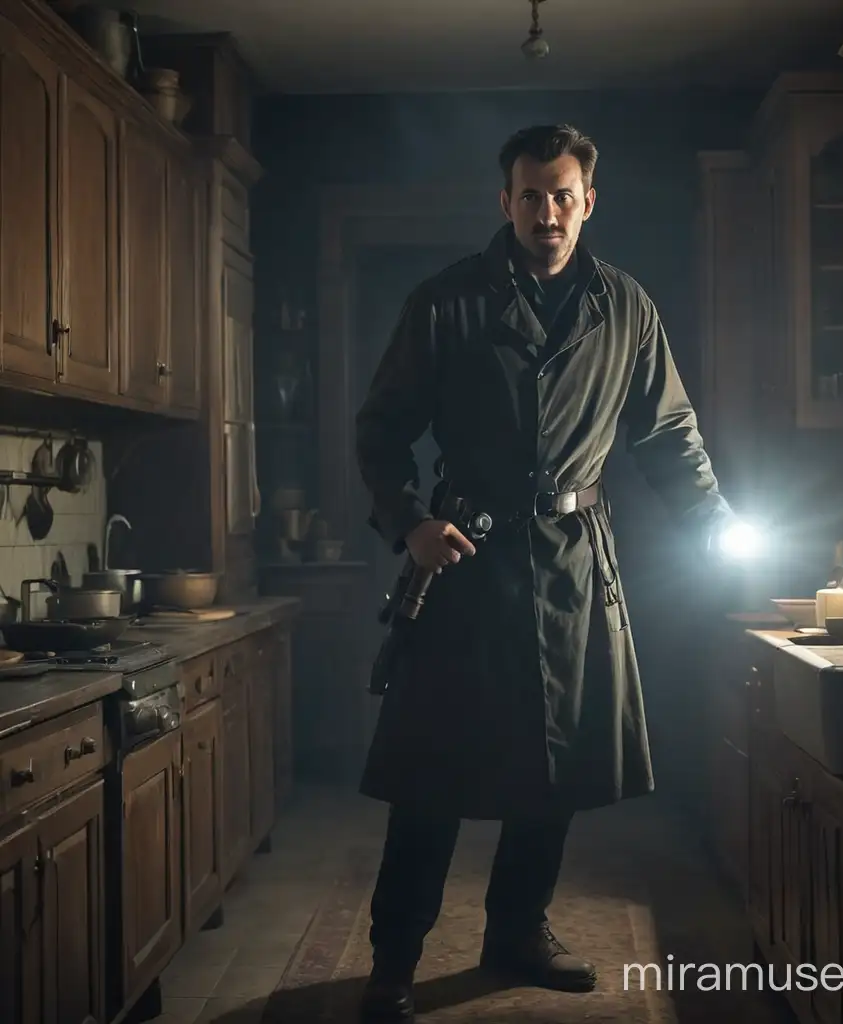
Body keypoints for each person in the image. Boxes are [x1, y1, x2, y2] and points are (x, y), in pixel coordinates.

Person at [354, 123, 734, 1021]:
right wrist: (409, 523)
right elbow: (379, 431)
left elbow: (670, 436)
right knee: (431, 778)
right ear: (507, 202)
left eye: (563, 195)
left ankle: (517, 931)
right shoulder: (446, 302)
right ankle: (394, 961)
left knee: (552, 770)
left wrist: (716, 529)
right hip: (466, 567)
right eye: (530, 196)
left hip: (574, 567)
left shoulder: (626, 308)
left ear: (587, 201)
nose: (547, 213)